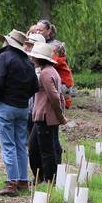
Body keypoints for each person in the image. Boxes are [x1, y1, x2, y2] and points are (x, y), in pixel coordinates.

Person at [0, 29, 38, 197]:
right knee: (20, 145)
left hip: (5, 106)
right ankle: (23, 180)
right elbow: (35, 87)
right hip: (22, 108)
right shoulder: (28, 62)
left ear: (9, 42)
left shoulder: (5, 57)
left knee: (8, 145)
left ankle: (12, 183)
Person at [28, 42, 65, 184]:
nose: (32, 59)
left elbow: (54, 96)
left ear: (39, 58)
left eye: (34, 57)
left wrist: (60, 115)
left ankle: (49, 179)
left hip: (45, 116)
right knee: (35, 147)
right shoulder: (51, 71)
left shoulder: (45, 73)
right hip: (44, 115)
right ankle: (41, 176)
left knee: (46, 150)